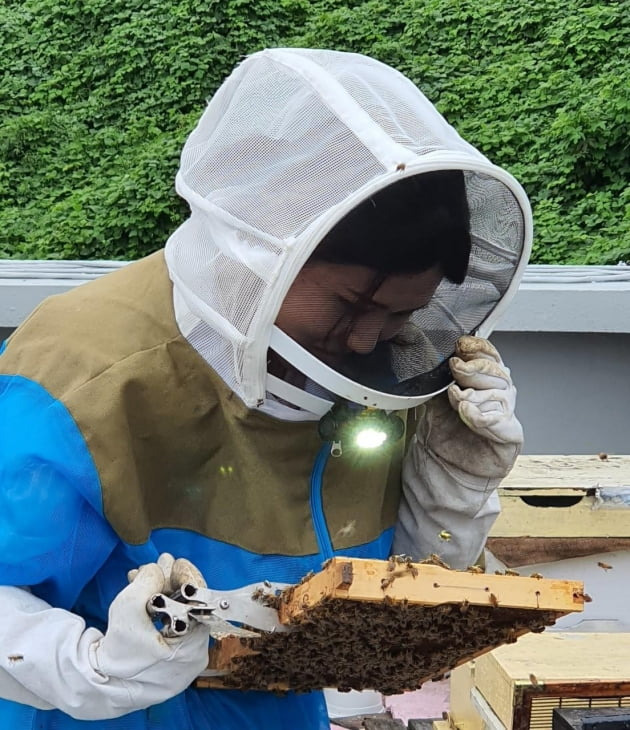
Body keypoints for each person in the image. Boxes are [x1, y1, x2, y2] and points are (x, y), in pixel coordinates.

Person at [0, 48, 531, 729]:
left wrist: (452, 486)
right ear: (264, 249)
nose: (368, 340)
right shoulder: (86, 370)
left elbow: (391, 596)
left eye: (399, 314)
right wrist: (96, 666)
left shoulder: (376, 371)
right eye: (351, 304)